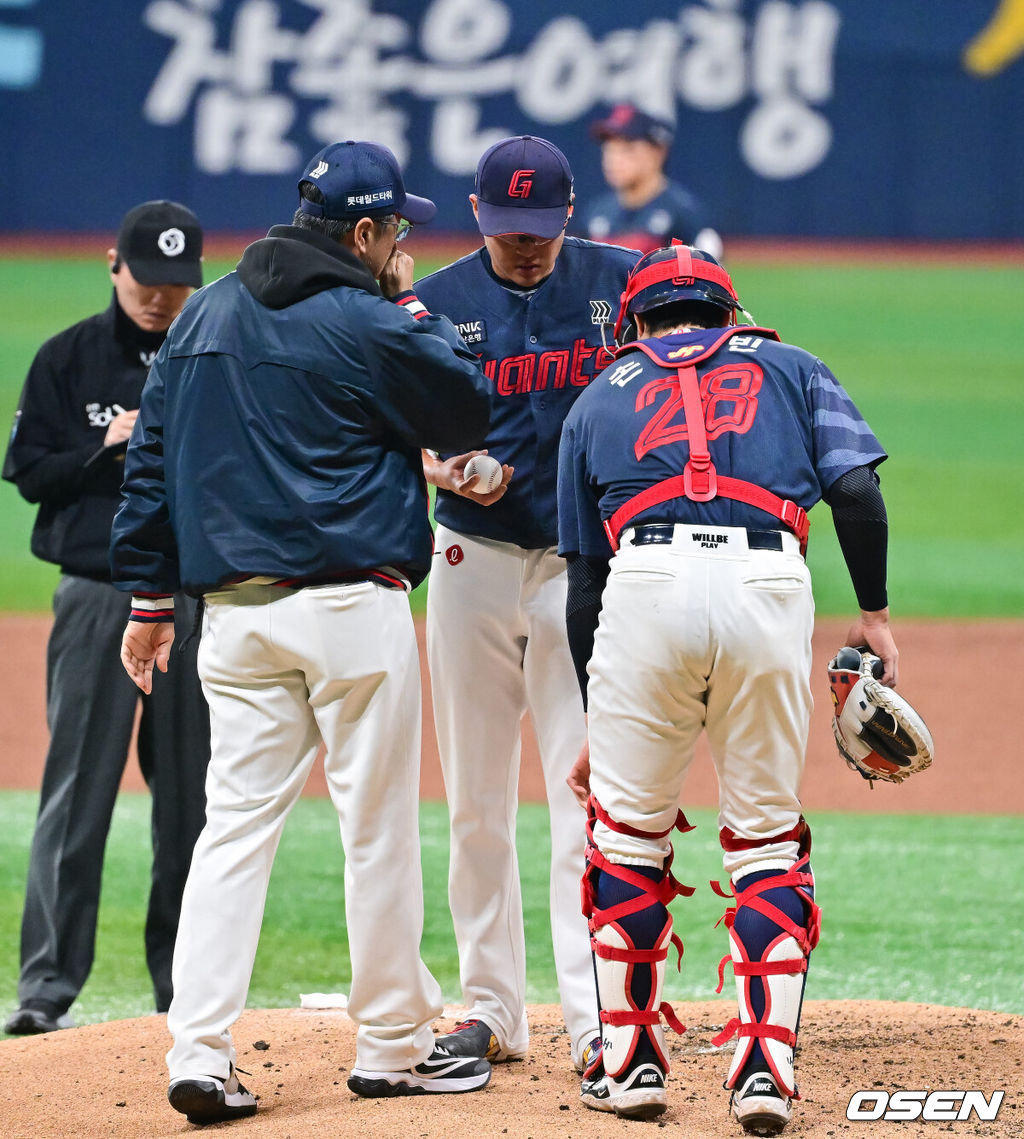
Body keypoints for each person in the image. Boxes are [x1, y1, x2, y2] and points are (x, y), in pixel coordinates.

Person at [110, 140, 495, 1126]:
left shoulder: (204, 311)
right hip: (348, 615)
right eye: (396, 232)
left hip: (232, 620)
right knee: (376, 832)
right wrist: (408, 301)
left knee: (231, 830)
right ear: (363, 233)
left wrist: (150, 600)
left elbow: (148, 463)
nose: (403, 246)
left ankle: (196, 1053)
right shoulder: (369, 316)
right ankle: (392, 1049)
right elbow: (464, 401)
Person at [557, 244, 896, 1129]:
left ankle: (629, 1064)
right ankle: (763, 1073)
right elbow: (856, 494)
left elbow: (587, 585)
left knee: (628, 836)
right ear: (729, 313)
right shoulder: (791, 365)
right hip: (768, 585)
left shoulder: (599, 395)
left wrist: (603, 714)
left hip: (644, 588)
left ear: (636, 324)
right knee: (767, 839)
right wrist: (876, 613)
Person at [407, 135, 640, 1077]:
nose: (526, 248)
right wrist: (437, 462)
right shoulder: (432, 301)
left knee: (584, 801)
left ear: (570, 212)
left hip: (580, 572)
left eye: (539, 230)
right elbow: (387, 417)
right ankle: (494, 1009)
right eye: (508, 233)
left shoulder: (624, 282)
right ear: (477, 217)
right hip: (470, 556)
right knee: (476, 804)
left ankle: (594, 1020)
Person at [2, 201, 211, 1035]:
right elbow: (26, 469)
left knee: (192, 803)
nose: (161, 298)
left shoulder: (211, 355)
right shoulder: (69, 359)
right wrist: (105, 449)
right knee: (77, 792)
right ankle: (46, 986)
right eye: (148, 280)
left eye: (177, 284)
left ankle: (185, 987)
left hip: (191, 602)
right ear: (114, 267)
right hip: (95, 593)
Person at [583, 103, 723, 259]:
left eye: (628, 149)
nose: (613, 159)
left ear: (658, 153)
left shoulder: (684, 214)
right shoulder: (597, 212)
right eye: (609, 149)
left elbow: (714, 277)